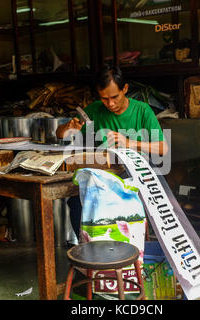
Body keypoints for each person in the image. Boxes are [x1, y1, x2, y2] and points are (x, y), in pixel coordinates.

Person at [56, 64, 169, 242]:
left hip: (132, 174)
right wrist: (68, 128)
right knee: (77, 202)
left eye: (114, 97)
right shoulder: (94, 110)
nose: (110, 104)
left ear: (125, 89)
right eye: (104, 99)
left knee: (122, 204)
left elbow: (163, 148)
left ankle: (125, 253)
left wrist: (129, 143)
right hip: (103, 175)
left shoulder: (142, 110)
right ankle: (87, 252)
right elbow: (60, 135)